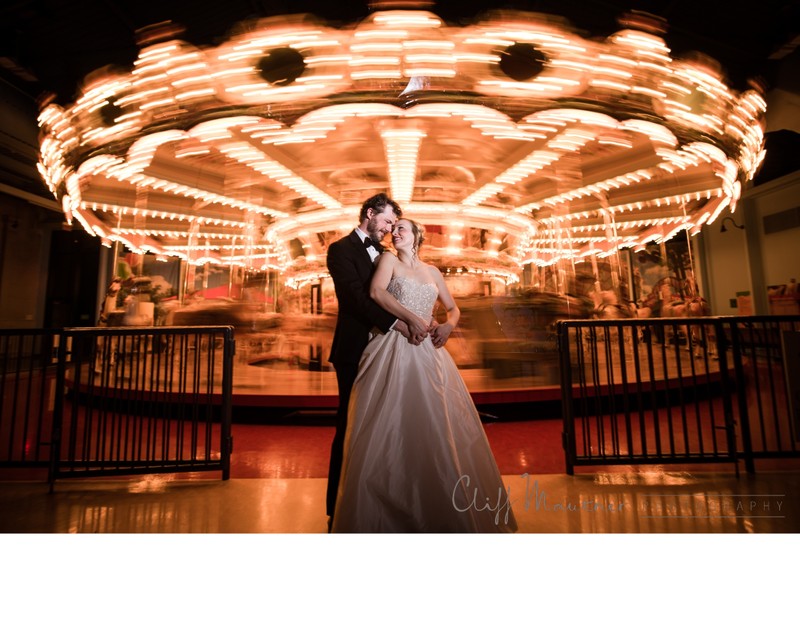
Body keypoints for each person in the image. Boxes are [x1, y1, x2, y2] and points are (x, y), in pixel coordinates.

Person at [331, 218, 517, 533]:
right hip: (395, 343)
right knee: (390, 422)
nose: (396, 232)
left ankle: (440, 502)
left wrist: (447, 325)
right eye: (394, 229)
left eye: (403, 228)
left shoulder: (432, 272)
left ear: (418, 236)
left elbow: (453, 309)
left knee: (438, 421)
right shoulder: (388, 259)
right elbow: (377, 293)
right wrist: (412, 319)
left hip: (428, 350)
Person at [325, 193, 427, 526]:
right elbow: (355, 300)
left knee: (386, 424)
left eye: (393, 225)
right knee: (350, 423)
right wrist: (400, 323)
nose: (388, 229)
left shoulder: (385, 254)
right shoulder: (340, 250)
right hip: (355, 347)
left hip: (387, 350)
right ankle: (338, 506)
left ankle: (384, 499)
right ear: (369, 214)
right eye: (385, 221)